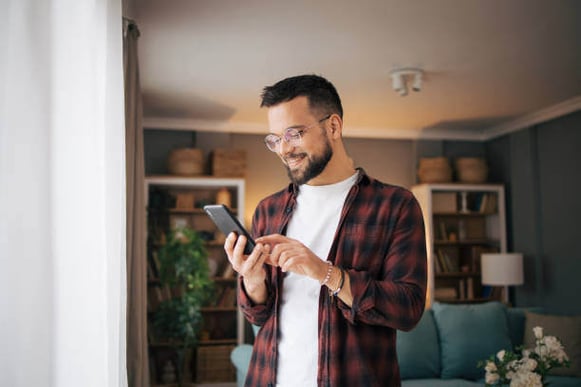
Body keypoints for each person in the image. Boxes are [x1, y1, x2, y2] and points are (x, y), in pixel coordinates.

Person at [224, 74, 427, 387]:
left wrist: (325, 272)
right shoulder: (268, 209)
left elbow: (409, 309)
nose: (283, 149)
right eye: (275, 139)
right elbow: (260, 316)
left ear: (333, 126)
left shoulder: (395, 205)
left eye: (294, 134)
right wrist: (252, 280)